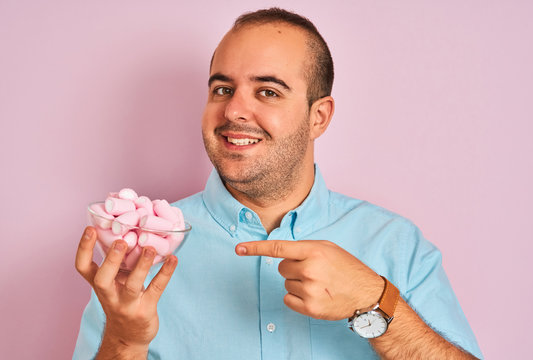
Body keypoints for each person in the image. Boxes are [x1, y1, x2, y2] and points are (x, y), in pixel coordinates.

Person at [74, 8, 483, 360]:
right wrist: (125, 342)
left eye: (267, 91)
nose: (234, 110)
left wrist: (372, 301)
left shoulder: (396, 246)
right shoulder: (141, 250)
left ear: (318, 117)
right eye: (222, 89)